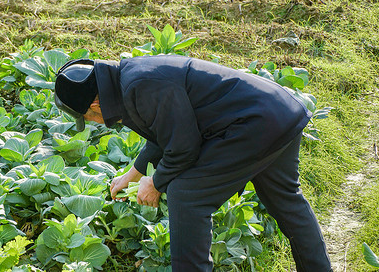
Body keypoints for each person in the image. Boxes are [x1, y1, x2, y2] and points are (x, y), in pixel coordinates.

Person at [54, 55, 332, 272]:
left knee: (187, 195)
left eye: (87, 118)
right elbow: (165, 131)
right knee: (286, 201)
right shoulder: (129, 79)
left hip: (255, 124)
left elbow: (184, 148)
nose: (92, 123)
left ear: (95, 106)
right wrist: (135, 173)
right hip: (277, 112)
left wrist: (156, 183)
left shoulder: (141, 86)